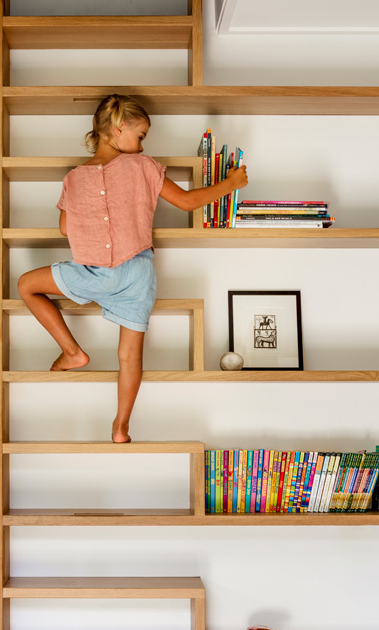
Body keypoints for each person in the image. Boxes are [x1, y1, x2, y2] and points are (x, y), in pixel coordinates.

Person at [17, 94, 247, 443]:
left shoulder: (74, 178)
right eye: (140, 136)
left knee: (25, 285)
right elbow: (186, 201)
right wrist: (231, 184)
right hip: (137, 271)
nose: (141, 147)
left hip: (93, 272)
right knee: (129, 355)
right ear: (119, 127)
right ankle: (120, 427)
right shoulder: (143, 167)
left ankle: (71, 351)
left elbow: (65, 228)